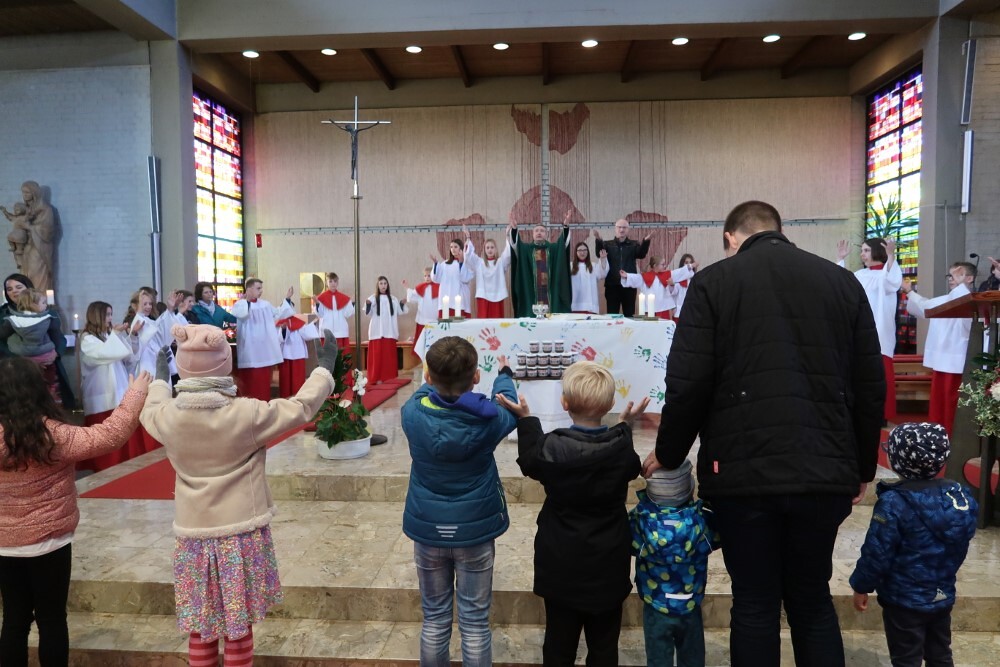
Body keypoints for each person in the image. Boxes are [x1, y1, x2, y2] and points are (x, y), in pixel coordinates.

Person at [644, 200, 885, 667]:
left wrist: (669, 452)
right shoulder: (841, 282)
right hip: (823, 468)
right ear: (778, 229)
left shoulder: (714, 282)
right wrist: (860, 466)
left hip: (742, 472)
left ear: (731, 238)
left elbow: (689, 382)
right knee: (812, 599)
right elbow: (869, 383)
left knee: (754, 601)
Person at [140, 325, 338, 667]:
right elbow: (300, 408)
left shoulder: (167, 416)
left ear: (182, 367)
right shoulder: (246, 414)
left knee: (202, 625)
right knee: (238, 625)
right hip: (240, 534)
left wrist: (160, 381)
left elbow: (149, 409)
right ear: (224, 364)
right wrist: (323, 372)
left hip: (193, 537)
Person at [0, 356, 149, 667]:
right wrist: (136, 393)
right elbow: (110, 435)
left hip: (4, 545)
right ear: (38, 389)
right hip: (50, 542)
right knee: (52, 619)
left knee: (14, 620)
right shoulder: (55, 435)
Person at [497, 361, 648, 666]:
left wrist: (526, 419)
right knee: (604, 646)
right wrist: (625, 425)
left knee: (558, 644)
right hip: (608, 561)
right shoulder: (621, 449)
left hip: (561, 562)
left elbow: (529, 461)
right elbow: (630, 463)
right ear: (610, 404)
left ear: (564, 404)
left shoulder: (551, 447)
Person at [400, 336, 518, 666]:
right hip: (474, 532)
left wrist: (437, 379)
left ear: (428, 377)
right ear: (476, 377)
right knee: (475, 623)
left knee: (435, 619)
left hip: (429, 530)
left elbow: (424, 391)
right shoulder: (489, 421)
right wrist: (504, 375)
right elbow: (508, 403)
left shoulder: (412, 414)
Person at [850, 422, 977, 667]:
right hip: (941, 594)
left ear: (897, 461)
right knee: (940, 654)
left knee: (906, 659)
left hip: (903, 600)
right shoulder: (959, 497)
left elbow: (877, 552)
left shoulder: (894, 502)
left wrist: (861, 586)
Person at [629, 460, 719, 667]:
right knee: (693, 659)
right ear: (688, 489)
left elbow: (624, 541)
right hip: (690, 605)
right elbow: (720, 536)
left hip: (655, 605)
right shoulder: (703, 520)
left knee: (658, 660)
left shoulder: (639, 521)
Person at [901, 262, 976, 435]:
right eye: (950, 275)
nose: (951, 278)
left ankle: (952, 437)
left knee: (953, 404)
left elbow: (969, 323)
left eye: (958, 274)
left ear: (970, 278)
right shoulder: (945, 300)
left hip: (958, 361)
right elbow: (924, 306)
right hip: (942, 361)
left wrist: (961, 285)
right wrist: (909, 291)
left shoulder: (970, 301)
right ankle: (937, 436)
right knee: (938, 403)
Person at [837, 237, 903, 422]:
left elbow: (892, 282)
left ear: (877, 251)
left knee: (881, 373)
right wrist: (840, 260)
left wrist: (891, 256)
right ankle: (859, 412)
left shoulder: (885, 274)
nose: (862, 254)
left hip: (880, 332)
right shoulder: (859, 275)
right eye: (862, 251)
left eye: (866, 250)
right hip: (858, 332)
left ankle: (883, 414)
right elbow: (841, 286)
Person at [77, 300, 141, 472]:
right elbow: (105, 353)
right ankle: (105, 465)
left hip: (119, 387)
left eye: (111, 314)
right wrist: (116, 335)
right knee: (105, 432)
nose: (110, 318)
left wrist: (131, 335)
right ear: (96, 315)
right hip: (101, 392)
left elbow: (128, 357)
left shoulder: (108, 335)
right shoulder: (87, 338)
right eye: (107, 314)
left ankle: (126, 462)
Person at [230, 278, 295, 402]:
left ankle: (264, 405)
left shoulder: (265, 304)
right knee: (250, 383)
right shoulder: (240, 304)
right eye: (258, 288)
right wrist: (247, 301)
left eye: (261, 288)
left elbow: (279, 313)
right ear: (249, 289)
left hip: (264, 350)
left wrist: (287, 299)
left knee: (263, 383)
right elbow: (242, 315)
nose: (261, 291)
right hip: (250, 349)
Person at [0, 289, 63, 402]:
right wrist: (55, 352)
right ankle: (52, 392)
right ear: (33, 304)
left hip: (24, 358)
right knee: (50, 375)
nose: (46, 305)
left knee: (28, 383)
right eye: (43, 302)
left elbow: (2, 334)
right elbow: (56, 336)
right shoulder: (47, 319)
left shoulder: (14, 320)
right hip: (45, 356)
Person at [508, 210, 572, 317]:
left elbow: (563, 244)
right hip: (531, 296)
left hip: (551, 295)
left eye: (542, 231)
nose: (539, 233)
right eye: (536, 231)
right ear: (532, 234)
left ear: (546, 234)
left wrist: (565, 226)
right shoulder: (526, 250)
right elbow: (516, 245)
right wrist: (514, 229)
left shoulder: (553, 249)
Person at [1, 181, 55, 292]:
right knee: (26, 274)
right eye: (23, 192)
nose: (24, 195)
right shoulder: (26, 209)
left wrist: (28, 227)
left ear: (34, 193)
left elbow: (47, 232)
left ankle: (39, 299)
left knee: (36, 274)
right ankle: (27, 299)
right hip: (27, 246)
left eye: (27, 192)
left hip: (39, 249)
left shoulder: (46, 209)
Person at [595, 218, 651, 317]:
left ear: (628, 229)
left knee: (629, 315)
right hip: (612, 285)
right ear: (615, 229)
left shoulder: (634, 244)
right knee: (612, 315)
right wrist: (599, 240)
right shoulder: (607, 244)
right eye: (619, 227)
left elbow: (641, 254)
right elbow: (599, 253)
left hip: (629, 285)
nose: (621, 230)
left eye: (624, 227)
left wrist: (646, 241)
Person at [620, 256, 696, 320]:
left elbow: (679, 272)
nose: (664, 266)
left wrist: (691, 266)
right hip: (650, 310)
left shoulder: (667, 274)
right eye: (662, 264)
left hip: (663, 309)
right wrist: (627, 275)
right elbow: (635, 278)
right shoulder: (645, 276)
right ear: (655, 265)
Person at [364, 276, 407, 385]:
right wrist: (368, 305)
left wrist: (402, 304)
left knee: (388, 356)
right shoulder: (373, 298)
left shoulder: (393, 299)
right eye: (381, 283)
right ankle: (375, 378)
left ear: (387, 285)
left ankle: (389, 378)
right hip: (377, 330)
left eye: (385, 283)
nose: (383, 286)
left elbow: (400, 312)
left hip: (389, 330)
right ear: (378, 285)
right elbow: (368, 313)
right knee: (377, 356)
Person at [463, 224, 512, 318]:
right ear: (484, 250)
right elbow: (469, 256)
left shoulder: (500, 262)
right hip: (483, 296)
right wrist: (468, 238)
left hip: (497, 296)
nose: (490, 250)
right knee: (483, 321)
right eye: (487, 247)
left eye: (492, 247)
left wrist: (507, 235)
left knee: (497, 321)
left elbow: (508, 254)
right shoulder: (479, 263)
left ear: (496, 249)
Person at [276, 314, 320, 398]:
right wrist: (284, 329)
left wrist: (310, 324)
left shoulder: (300, 322)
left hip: (297, 354)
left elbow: (308, 335)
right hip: (286, 353)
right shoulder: (282, 322)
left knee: (297, 379)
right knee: (286, 380)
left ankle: (297, 398)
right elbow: (279, 338)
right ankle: (285, 398)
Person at [430, 239, 474, 318]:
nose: (453, 249)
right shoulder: (444, 264)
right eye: (451, 247)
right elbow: (436, 278)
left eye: (455, 247)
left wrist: (461, 262)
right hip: (446, 299)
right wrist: (436, 264)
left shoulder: (467, 263)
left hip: (460, 299)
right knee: (446, 323)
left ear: (461, 248)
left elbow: (465, 278)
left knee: (460, 323)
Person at [315, 272, 355, 354]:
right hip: (327, 330)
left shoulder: (344, 298)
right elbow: (320, 314)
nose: (333, 283)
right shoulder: (321, 298)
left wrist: (353, 303)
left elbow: (347, 314)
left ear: (338, 282)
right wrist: (317, 304)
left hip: (340, 331)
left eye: (335, 281)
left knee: (341, 356)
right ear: (326, 283)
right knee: (327, 356)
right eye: (330, 281)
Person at [569, 241, 609, 314]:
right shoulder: (570, 266)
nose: (582, 253)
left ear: (588, 252)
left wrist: (603, 259)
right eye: (580, 250)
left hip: (590, 305)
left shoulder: (593, 266)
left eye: (585, 250)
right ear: (576, 252)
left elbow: (602, 274)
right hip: (575, 303)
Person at [403, 267, 439, 343]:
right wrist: (407, 287)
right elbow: (412, 296)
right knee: (421, 340)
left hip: (434, 317)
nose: (427, 278)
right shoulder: (420, 287)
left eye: (429, 276)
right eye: (425, 276)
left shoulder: (438, 287)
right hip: (423, 317)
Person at [670, 253, 697, 318]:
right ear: (682, 264)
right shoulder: (678, 279)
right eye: (686, 262)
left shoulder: (695, 279)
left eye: (690, 262)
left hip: (691, 312)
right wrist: (672, 285)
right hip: (679, 312)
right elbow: (673, 293)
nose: (689, 265)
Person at [2, 202, 29, 268]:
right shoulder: (15, 218)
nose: (15, 211)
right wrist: (4, 211)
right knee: (15, 250)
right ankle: (18, 262)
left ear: (22, 209)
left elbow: (29, 219)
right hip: (14, 235)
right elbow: (9, 217)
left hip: (20, 236)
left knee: (19, 251)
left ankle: (21, 263)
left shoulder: (24, 218)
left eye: (18, 210)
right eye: (15, 210)